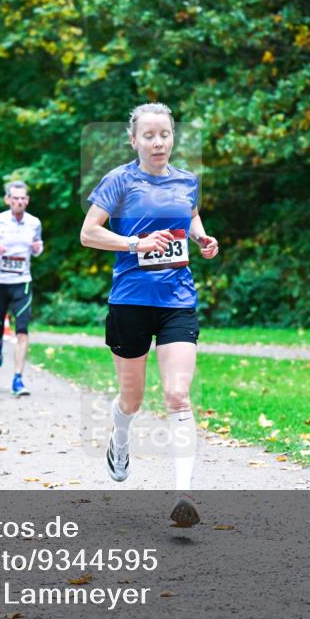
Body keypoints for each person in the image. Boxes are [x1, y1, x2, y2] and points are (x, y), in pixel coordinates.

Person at [79, 103, 219, 527]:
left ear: (173, 137)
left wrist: (201, 237)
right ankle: (119, 440)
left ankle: (184, 495)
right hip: (131, 301)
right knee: (132, 400)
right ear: (134, 139)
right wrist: (135, 244)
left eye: (165, 135)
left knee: (178, 395)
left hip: (177, 300)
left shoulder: (187, 181)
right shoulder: (119, 180)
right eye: (149, 136)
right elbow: (89, 233)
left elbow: (190, 215)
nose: (158, 143)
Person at [0, 180, 43, 396]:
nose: (20, 202)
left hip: (22, 282)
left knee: (22, 331)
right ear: (8, 200)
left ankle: (18, 379)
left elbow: (37, 248)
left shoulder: (34, 223)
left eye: (23, 198)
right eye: (15, 198)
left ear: (28, 200)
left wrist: (36, 248)